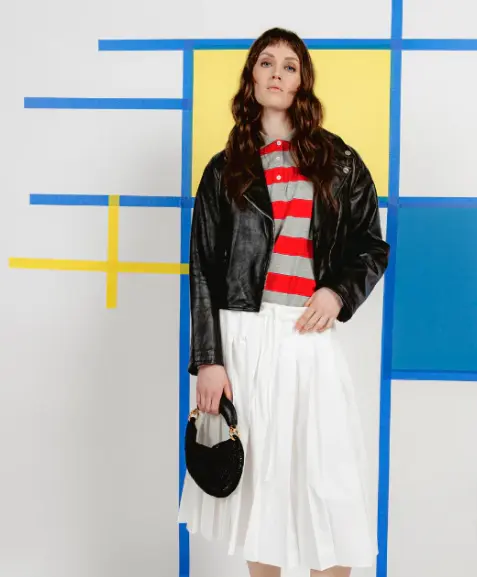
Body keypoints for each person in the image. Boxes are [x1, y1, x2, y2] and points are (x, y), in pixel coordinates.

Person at [178, 26, 390, 577]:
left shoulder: (340, 161)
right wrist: (208, 360)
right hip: (244, 337)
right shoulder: (224, 169)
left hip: (308, 333)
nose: (277, 72)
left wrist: (337, 291)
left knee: (329, 480)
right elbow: (203, 269)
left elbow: (371, 245)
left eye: (289, 65)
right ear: (251, 77)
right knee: (262, 489)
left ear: (302, 81)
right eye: (266, 62)